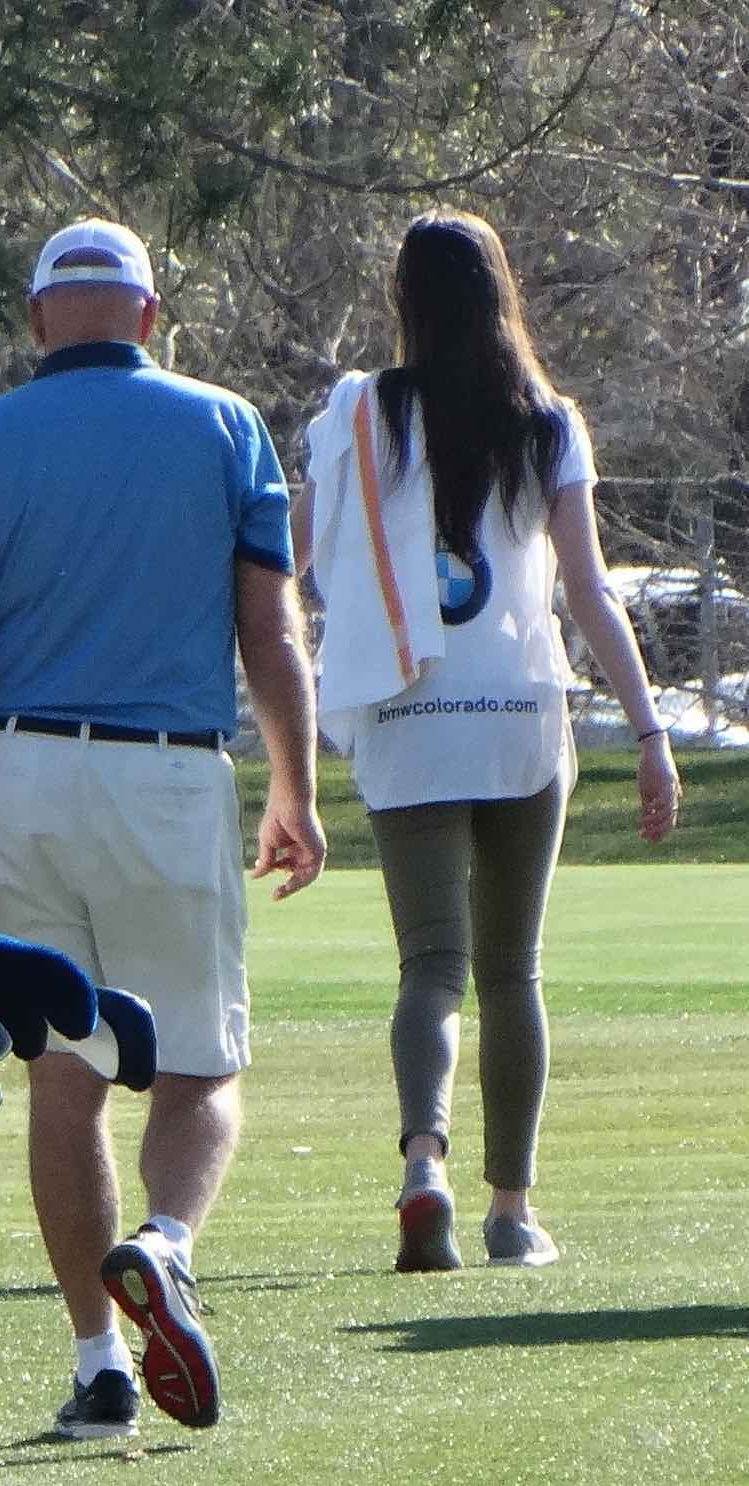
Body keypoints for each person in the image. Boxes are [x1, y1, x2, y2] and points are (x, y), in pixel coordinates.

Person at [0, 218, 326, 1442]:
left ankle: (99, 1363)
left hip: (18, 775)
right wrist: (294, 787)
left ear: (39, 317)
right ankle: (167, 1239)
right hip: (166, 776)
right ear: (149, 314)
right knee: (197, 1065)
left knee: (65, 1072)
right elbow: (269, 630)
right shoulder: (225, 425)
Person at [290, 209, 680, 1273]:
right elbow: (589, 590)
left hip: (406, 709)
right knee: (513, 973)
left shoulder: (360, 412)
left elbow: (294, 554)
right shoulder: (546, 421)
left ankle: (424, 1165)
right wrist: (648, 729)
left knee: (430, 966)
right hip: (518, 713)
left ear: (404, 300)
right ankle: (511, 1211)